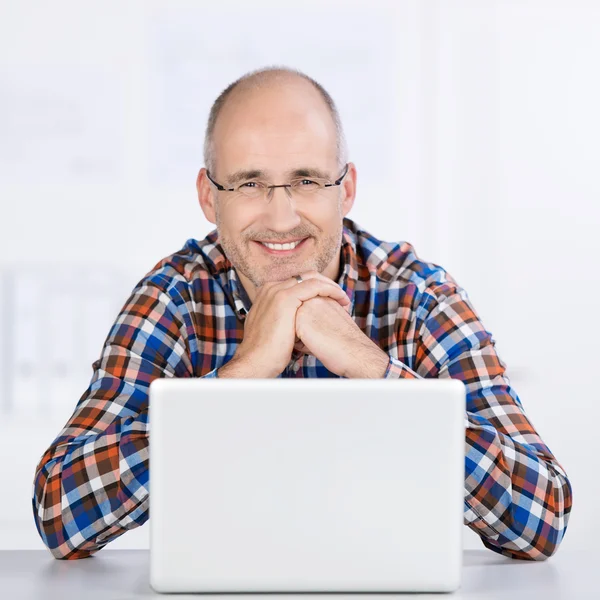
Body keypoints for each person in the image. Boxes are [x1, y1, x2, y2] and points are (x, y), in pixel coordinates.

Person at [32, 66, 572, 561]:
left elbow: (543, 519)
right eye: (249, 183)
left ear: (348, 189)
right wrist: (237, 379)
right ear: (208, 196)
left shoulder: (417, 297)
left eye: (307, 180)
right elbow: (59, 515)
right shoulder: (176, 297)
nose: (281, 215)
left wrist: (372, 368)